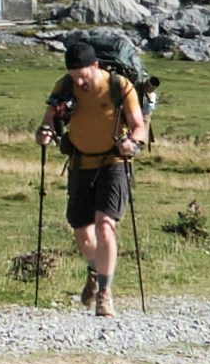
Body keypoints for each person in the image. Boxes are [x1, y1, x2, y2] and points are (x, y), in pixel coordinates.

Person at [43, 33, 149, 313]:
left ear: (96, 66)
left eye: (82, 75)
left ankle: (105, 292)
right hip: (80, 163)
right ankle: (94, 269)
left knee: (105, 225)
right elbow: (48, 122)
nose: (78, 81)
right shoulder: (64, 87)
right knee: (82, 233)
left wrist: (132, 143)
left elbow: (139, 126)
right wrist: (44, 134)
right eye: (73, 75)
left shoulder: (118, 86)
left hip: (114, 161)